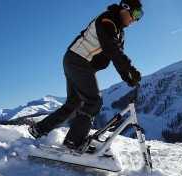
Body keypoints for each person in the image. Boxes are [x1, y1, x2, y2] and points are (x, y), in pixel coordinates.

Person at [29, 0, 144, 151]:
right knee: (94, 101)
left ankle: (39, 129)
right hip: (78, 60)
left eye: (140, 16)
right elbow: (112, 50)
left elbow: (116, 55)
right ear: (125, 8)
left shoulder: (119, 30)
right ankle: (73, 142)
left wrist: (127, 77)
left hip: (76, 61)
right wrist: (133, 70)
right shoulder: (107, 20)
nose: (136, 19)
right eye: (136, 13)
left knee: (74, 104)